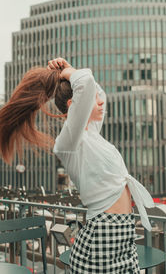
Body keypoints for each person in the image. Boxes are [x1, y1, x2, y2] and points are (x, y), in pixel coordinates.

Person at [0, 57, 155, 273]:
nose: (100, 102)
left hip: (123, 233)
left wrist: (66, 69)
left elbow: (95, 89)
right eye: (93, 99)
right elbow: (86, 82)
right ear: (75, 106)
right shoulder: (69, 142)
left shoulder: (91, 133)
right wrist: (70, 72)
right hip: (102, 235)